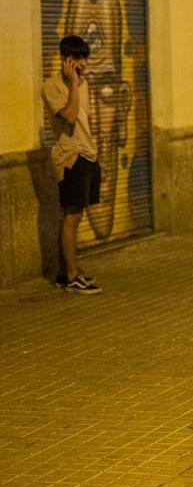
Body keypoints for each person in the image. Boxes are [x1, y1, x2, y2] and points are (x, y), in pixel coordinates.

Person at [43, 35, 103, 294]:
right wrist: (74, 86)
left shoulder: (84, 83)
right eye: (79, 58)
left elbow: (85, 118)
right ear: (67, 60)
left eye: (84, 57)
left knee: (77, 216)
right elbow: (68, 116)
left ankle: (69, 272)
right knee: (72, 215)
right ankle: (70, 276)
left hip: (88, 154)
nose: (84, 62)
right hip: (70, 157)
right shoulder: (51, 86)